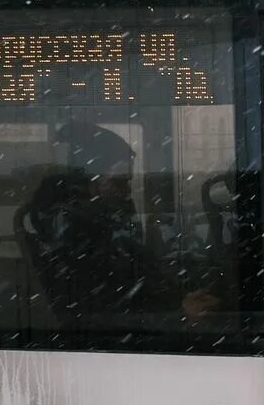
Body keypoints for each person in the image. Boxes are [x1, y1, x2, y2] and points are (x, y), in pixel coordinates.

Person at [23, 122, 221, 328]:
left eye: (127, 182)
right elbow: (107, 293)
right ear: (92, 178)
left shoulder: (105, 213)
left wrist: (182, 295)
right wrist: (177, 309)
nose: (126, 191)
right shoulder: (70, 223)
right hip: (104, 328)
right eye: (118, 182)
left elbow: (138, 266)